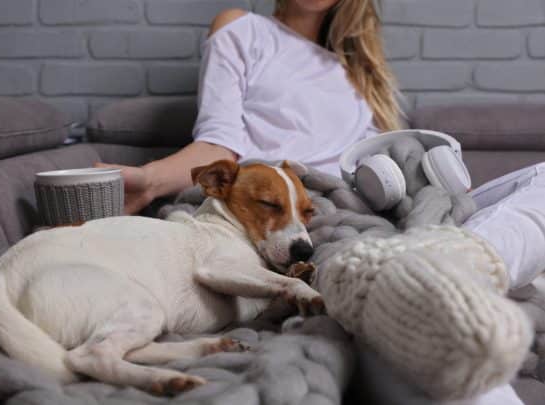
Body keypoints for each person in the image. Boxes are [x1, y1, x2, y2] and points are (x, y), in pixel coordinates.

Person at [97, 1, 545, 403]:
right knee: (432, 329)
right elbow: (219, 144)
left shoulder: (358, 68)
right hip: (322, 218)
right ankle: (435, 275)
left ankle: (442, 263)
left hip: (389, 215)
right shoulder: (242, 30)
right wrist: (149, 181)